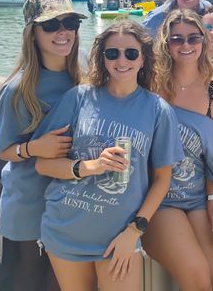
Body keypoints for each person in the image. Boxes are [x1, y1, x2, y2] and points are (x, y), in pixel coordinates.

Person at [33, 19, 183, 290]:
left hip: (119, 238)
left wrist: (135, 230)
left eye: (131, 53)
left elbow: (163, 178)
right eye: (112, 53)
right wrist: (90, 167)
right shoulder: (78, 98)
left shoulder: (158, 110)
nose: (121, 60)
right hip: (65, 231)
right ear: (102, 59)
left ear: (143, 59)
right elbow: (43, 165)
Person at [0, 0, 86, 291]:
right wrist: (34, 148)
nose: (63, 31)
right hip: (28, 210)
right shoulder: (18, 90)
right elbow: (3, 151)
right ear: (33, 33)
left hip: (68, 208)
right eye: (51, 25)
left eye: (69, 22)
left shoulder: (83, 80)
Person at [143, 9, 213, 291]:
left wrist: (212, 199)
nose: (186, 45)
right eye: (177, 39)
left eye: (193, 38)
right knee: (198, 278)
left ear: (203, 41)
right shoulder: (150, 87)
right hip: (159, 199)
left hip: (197, 198)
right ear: (166, 43)